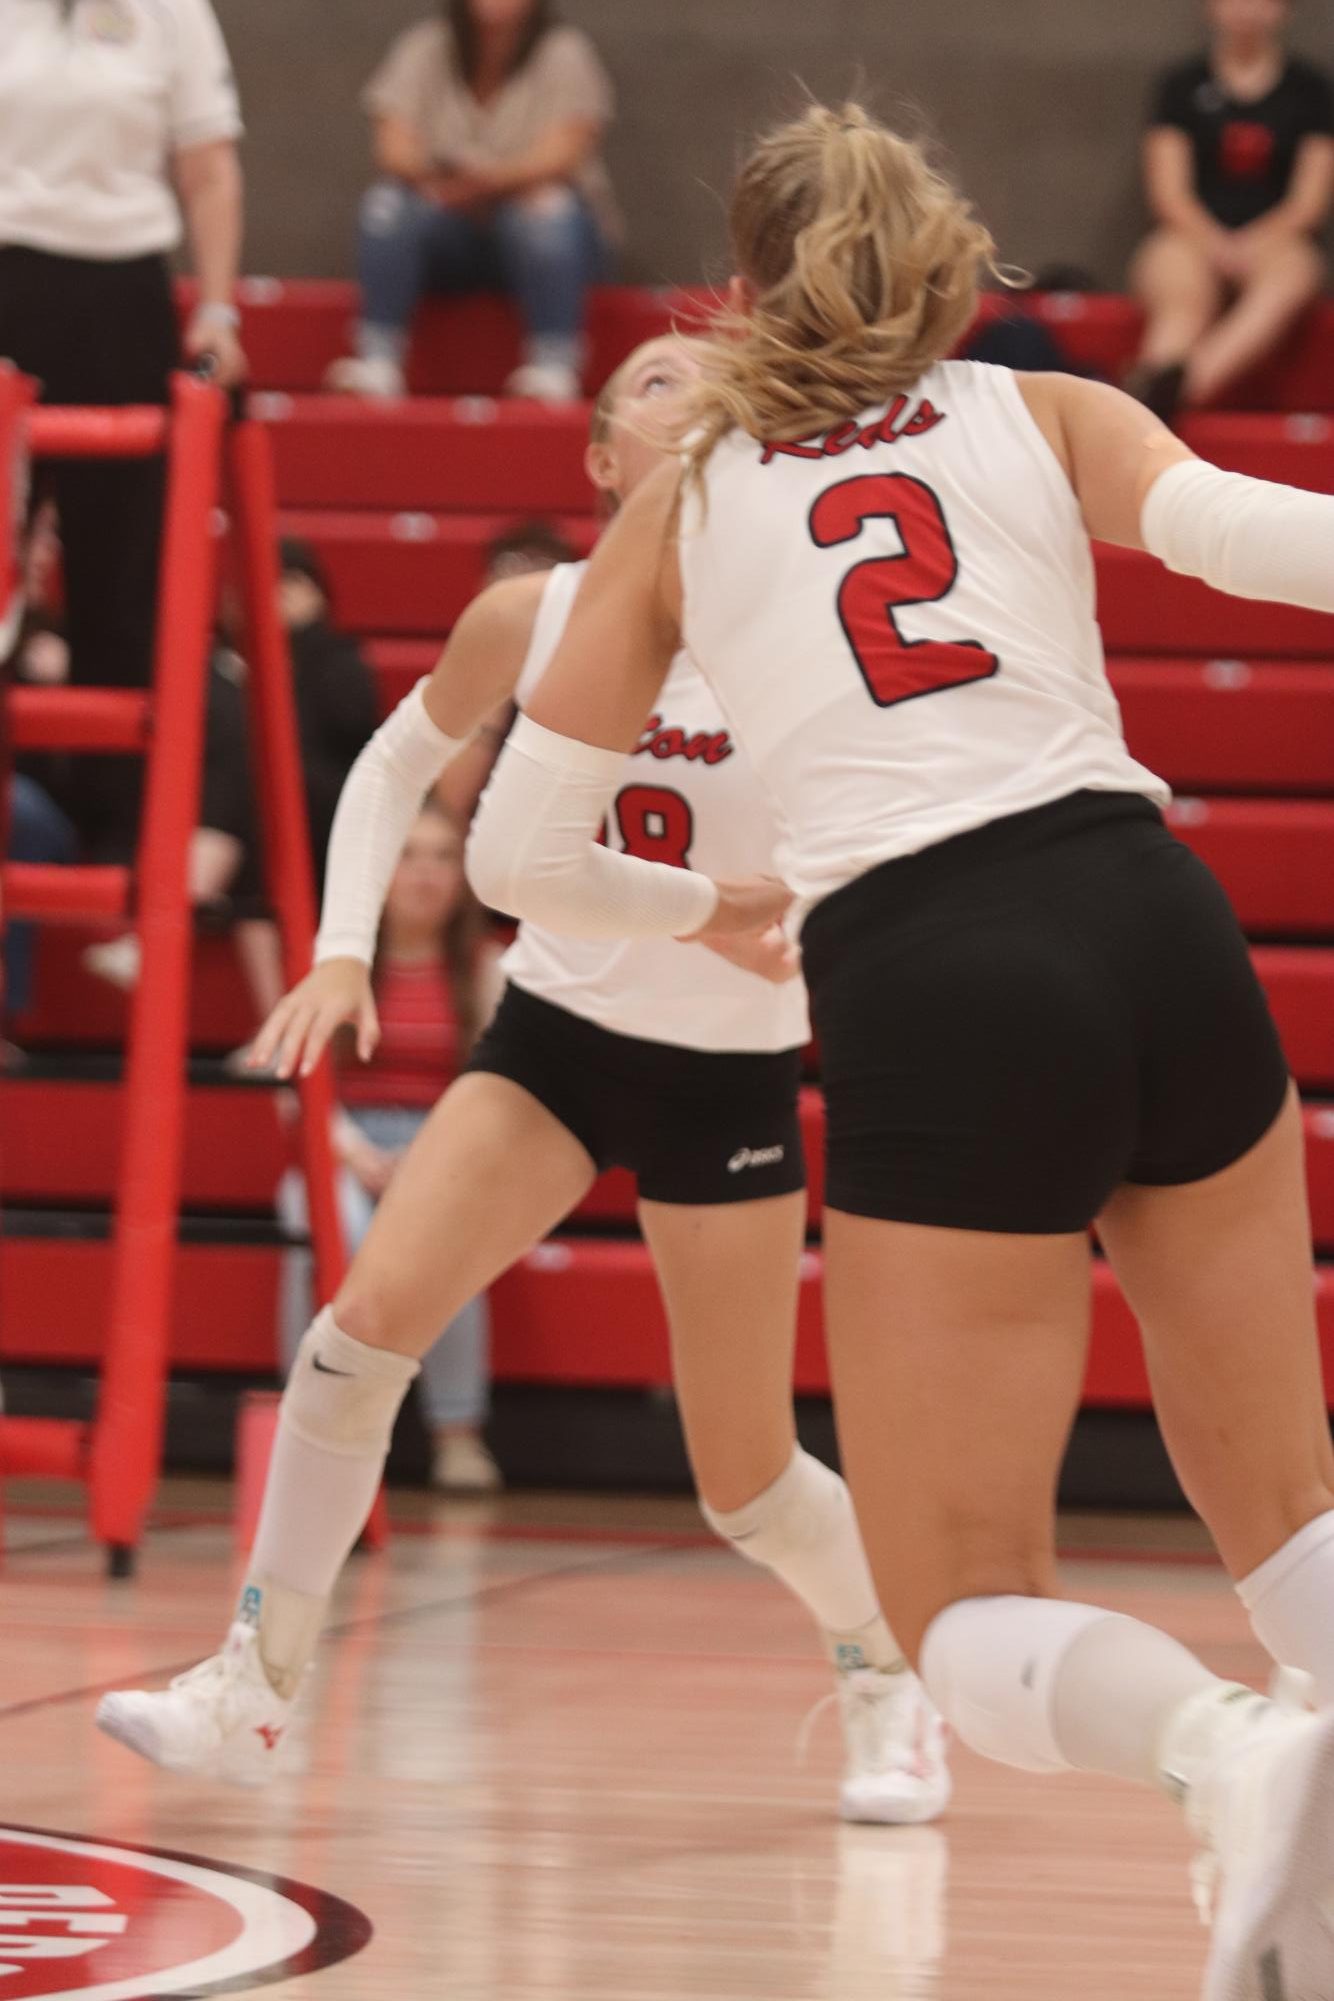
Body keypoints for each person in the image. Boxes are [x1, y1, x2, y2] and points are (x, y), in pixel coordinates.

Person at [445, 103, 1334, 1996]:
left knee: (956, 1615)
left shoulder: (680, 507)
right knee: (1287, 1508)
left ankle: (1229, 1757)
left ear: (745, 284)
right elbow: (1274, 548)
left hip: (939, 971)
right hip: (1152, 912)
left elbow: (520, 857)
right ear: (945, 255)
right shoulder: (1038, 410)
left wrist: (699, 912)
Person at [95, 335, 951, 1829]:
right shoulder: (532, 613)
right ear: (603, 456)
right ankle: (251, 1684)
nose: (687, 382)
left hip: (726, 1077)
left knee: (745, 1484)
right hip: (552, 1038)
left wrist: (816, 942)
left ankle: (885, 1672)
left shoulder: (799, 627)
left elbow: (900, 825)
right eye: (650, 377)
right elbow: (385, 766)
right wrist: (345, 946)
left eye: (709, 371)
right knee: (357, 1336)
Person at [0, 0, 246, 862]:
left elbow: (208, 167)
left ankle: (117, 828)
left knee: (120, 573)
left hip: (119, 294)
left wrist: (217, 310)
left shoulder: (172, 12)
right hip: (6, 277)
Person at [277, 800, 503, 1494]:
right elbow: (297, 1080)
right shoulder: (335, 960)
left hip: (442, 1143)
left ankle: (456, 1434)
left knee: (447, 1247)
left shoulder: (485, 964)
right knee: (331, 1229)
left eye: (442, 856)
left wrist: (427, 1155)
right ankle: (309, 1430)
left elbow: (496, 1082)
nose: (427, 873)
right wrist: (350, 1151)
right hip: (340, 1141)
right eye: (410, 855)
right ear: (380, 871)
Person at [84, 541, 378, 1027]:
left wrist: (295, 647)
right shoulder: (208, 667)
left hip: (321, 805)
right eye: (254, 587)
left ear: (316, 596)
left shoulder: (336, 658)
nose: (269, 597)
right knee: (247, 814)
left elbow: (352, 727)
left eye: (286, 584)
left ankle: (151, 937)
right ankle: (277, 1027)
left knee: (252, 777)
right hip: (242, 823)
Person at [326, 0, 618, 405]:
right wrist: (441, 177)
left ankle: (554, 364)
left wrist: (488, 180)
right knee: (386, 204)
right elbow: (391, 146)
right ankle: (377, 359)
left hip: (543, 240)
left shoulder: (565, 52)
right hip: (447, 229)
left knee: (548, 209)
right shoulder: (425, 47)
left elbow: (565, 151)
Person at [1128, 0, 1334, 418]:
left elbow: (1308, 202)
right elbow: (1169, 193)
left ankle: (1166, 400)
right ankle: (1151, 384)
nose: (1247, 9)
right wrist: (1215, 242)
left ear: (1284, 10)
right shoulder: (1183, 85)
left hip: (1277, 239)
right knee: (1181, 299)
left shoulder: (1311, 89)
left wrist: (1252, 243)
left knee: (1285, 282)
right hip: (1191, 234)